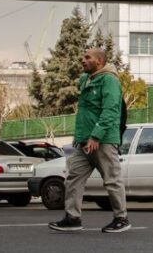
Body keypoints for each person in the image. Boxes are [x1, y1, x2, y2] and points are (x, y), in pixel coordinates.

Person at [48, 47, 130, 234]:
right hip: (84, 142)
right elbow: (86, 113)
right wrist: (80, 138)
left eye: (87, 57)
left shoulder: (109, 80)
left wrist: (96, 136)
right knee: (73, 178)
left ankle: (121, 218)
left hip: (104, 141)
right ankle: (73, 218)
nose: (82, 60)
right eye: (82, 56)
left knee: (112, 180)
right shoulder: (86, 80)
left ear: (99, 61)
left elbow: (110, 110)